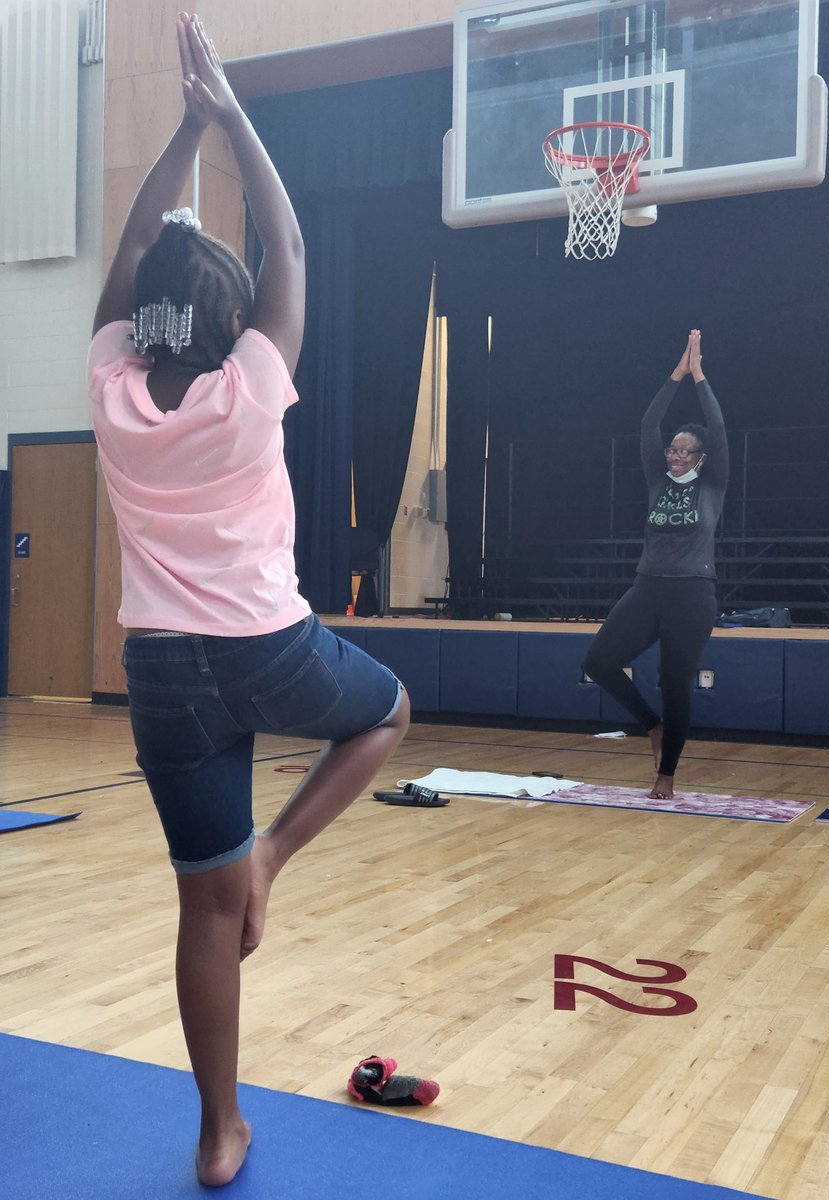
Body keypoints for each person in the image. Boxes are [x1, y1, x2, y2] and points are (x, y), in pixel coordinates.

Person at [88, 14, 410, 1187]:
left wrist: (182, 133)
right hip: (267, 645)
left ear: (145, 321)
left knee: (198, 906)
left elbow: (134, 246)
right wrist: (231, 115)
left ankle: (219, 1131)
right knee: (383, 713)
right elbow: (292, 245)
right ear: (231, 321)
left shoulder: (115, 385)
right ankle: (276, 852)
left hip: (161, 672)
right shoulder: (250, 384)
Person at [583, 329, 728, 800]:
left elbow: (719, 429)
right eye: (673, 449)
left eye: (686, 450)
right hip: (648, 587)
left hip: (692, 593)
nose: (676, 454)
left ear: (702, 458)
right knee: (600, 662)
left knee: (675, 683)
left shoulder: (712, 485)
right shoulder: (656, 480)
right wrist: (676, 375)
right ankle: (652, 725)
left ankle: (667, 774)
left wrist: (701, 377)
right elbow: (648, 424)